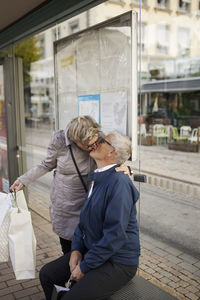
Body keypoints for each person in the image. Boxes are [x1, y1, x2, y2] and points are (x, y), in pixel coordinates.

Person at [39, 131, 140, 300]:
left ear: (111, 152)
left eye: (102, 141)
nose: (96, 142)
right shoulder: (98, 177)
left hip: (118, 261)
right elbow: (83, 221)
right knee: (47, 275)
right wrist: (76, 250)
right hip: (95, 250)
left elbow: (114, 236)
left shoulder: (119, 183)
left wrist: (85, 267)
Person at [10, 116, 130, 254]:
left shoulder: (97, 137)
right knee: (69, 249)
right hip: (66, 204)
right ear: (75, 141)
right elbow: (46, 165)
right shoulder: (59, 141)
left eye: (95, 142)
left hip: (89, 202)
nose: (94, 146)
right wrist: (23, 180)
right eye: (88, 145)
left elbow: (111, 157)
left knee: (89, 247)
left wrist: (125, 168)